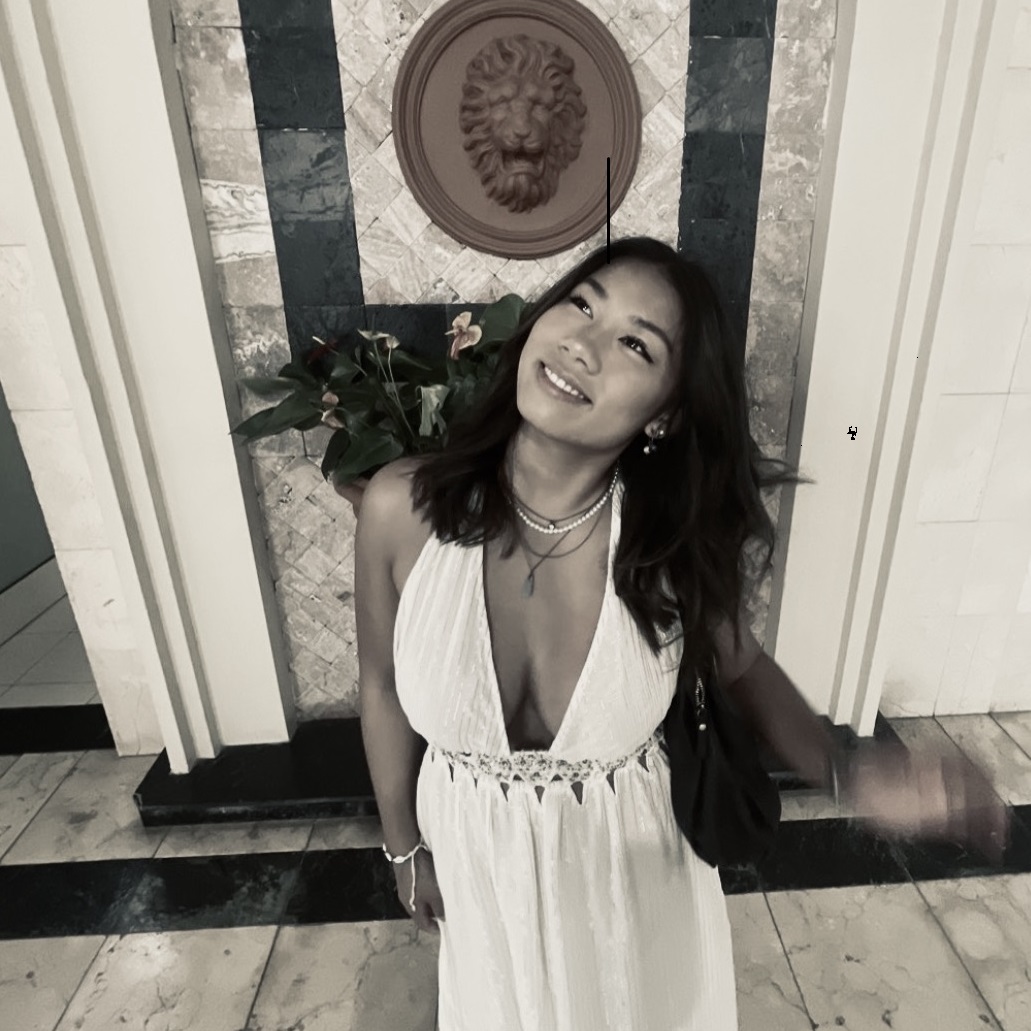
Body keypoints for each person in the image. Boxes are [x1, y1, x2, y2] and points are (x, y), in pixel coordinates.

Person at [354, 236, 1009, 1030]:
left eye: (635, 343)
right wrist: (402, 846)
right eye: (580, 304)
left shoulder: (667, 546)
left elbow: (742, 666)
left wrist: (852, 775)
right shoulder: (400, 507)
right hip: (475, 861)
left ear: (663, 412)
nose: (582, 344)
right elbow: (381, 685)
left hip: (631, 882)